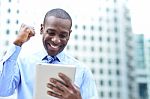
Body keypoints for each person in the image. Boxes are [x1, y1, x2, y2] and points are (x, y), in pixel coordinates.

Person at [0, 8, 98, 99]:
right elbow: (2, 90)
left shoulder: (83, 71)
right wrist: (17, 43)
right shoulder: (22, 63)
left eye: (63, 35)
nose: (56, 40)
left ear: (69, 34)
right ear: (42, 29)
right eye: (51, 33)